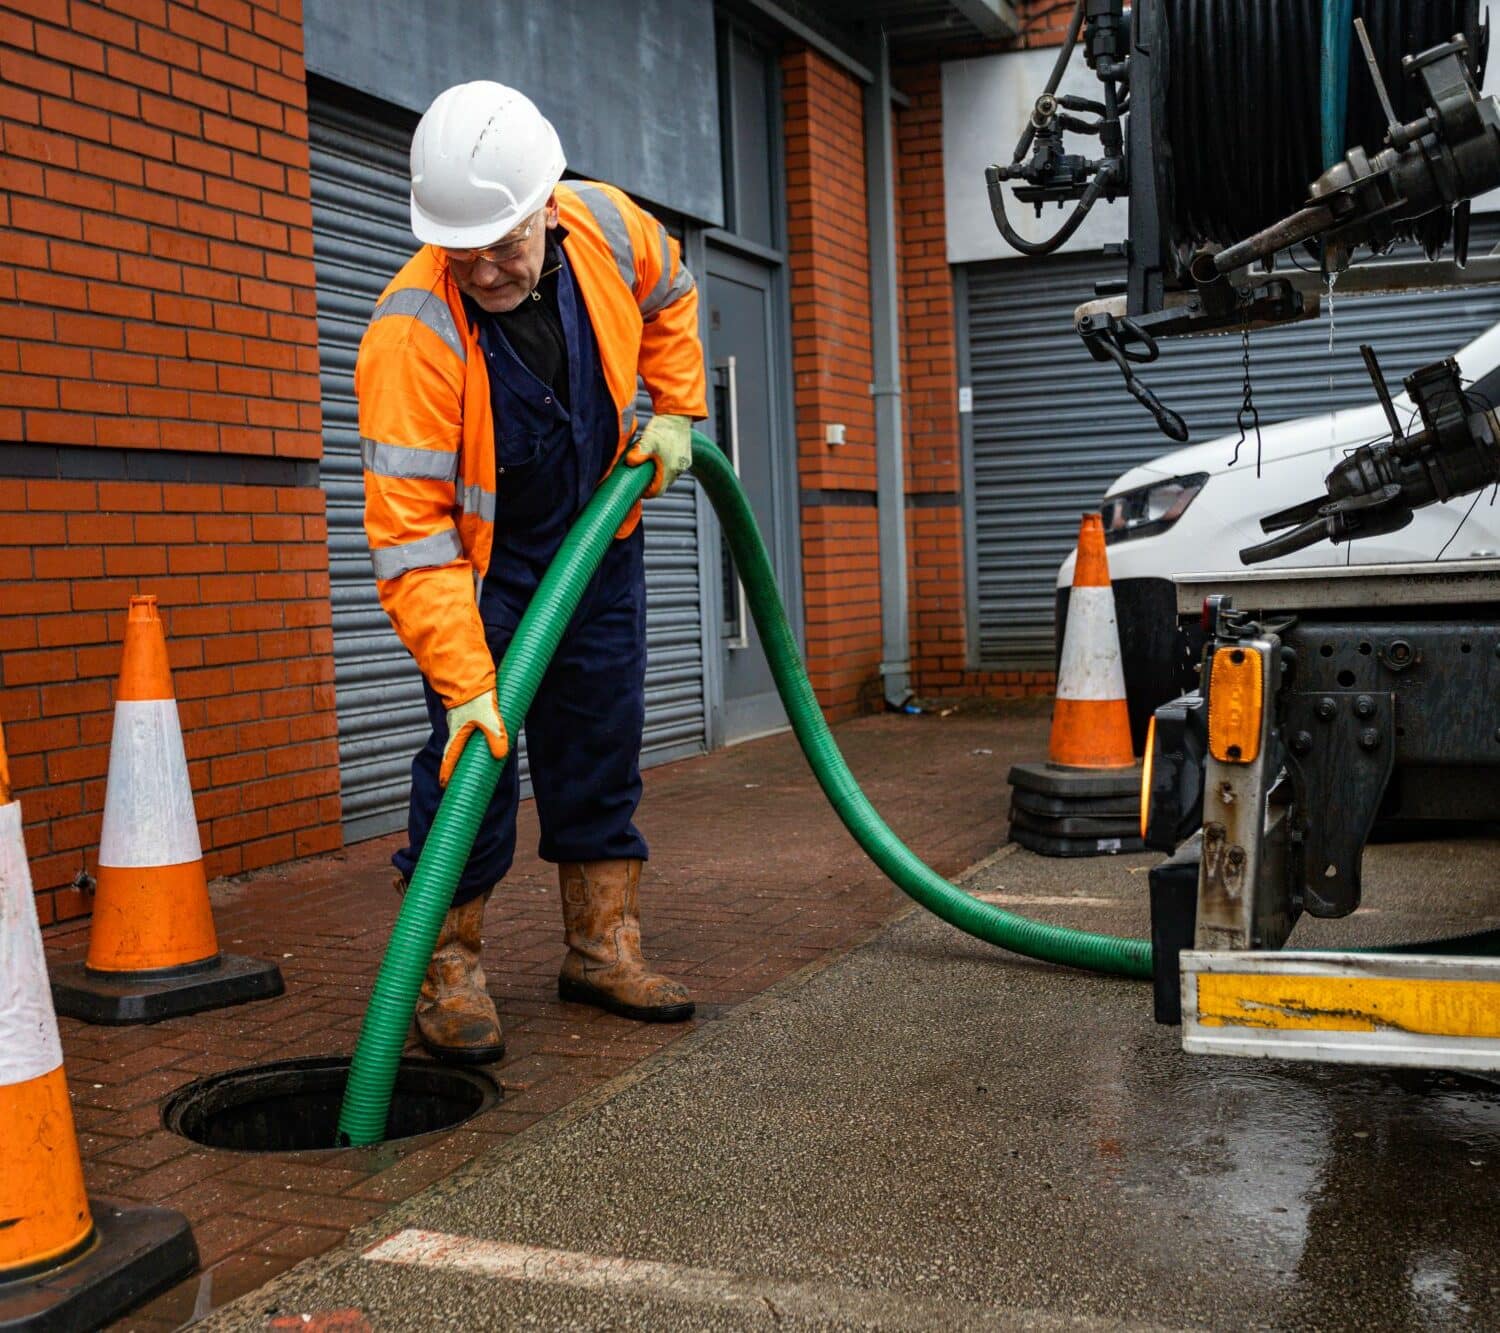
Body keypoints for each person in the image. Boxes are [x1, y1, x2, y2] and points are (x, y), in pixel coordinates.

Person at [354, 81, 707, 1064]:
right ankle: (448, 966)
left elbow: (671, 293)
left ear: (547, 208)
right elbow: (411, 538)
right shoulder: (410, 335)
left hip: (600, 544)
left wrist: (677, 409)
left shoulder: (605, 223)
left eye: (504, 246)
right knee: (475, 765)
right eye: (462, 254)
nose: (487, 271)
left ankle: (603, 946)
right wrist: (468, 685)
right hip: (484, 579)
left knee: (600, 746)